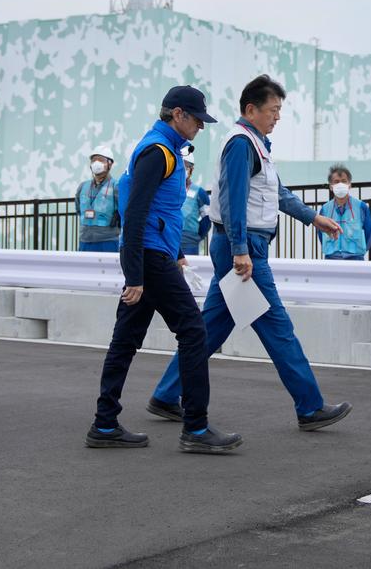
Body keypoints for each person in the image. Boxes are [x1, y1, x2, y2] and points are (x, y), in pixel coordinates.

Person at [149, 75, 353, 431]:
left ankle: (166, 394)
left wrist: (314, 218)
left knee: (209, 328)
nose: (277, 117)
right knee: (278, 327)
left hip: (239, 247)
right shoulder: (242, 144)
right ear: (251, 109)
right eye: (273, 110)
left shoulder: (258, 145)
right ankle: (310, 405)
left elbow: (278, 194)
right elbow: (232, 200)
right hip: (242, 250)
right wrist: (241, 250)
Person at [88, 86, 242, 453]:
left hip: (154, 256)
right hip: (149, 258)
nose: (200, 128)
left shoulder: (165, 150)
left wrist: (172, 256)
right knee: (193, 331)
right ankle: (197, 428)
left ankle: (104, 424)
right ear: (178, 114)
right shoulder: (158, 153)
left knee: (125, 340)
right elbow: (136, 213)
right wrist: (137, 275)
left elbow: (157, 213)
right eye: (197, 120)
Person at [318, 163, 371, 261]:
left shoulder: (361, 207)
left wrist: (360, 251)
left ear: (349, 185)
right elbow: (320, 233)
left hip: (356, 258)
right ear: (331, 186)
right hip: (331, 258)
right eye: (336, 182)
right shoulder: (325, 209)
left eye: (344, 181)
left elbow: (369, 233)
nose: (340, 184)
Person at [77, 147, 120, 252]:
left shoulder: (116, 186)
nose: (96, 163)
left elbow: (124, 211)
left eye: (100, 160)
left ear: (110, 164)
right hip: (85, 241)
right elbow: (78, 209)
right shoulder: (83, 186)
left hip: (108, 241)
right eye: (93, 160)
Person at [179, 156, 211, 256]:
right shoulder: (168, 190)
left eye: (187, 166)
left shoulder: (200, 193)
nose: (183, 169)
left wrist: (195, 237)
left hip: (189, 243)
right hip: (169, 241)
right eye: (181, 166)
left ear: (192, 169)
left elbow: (206, 220)